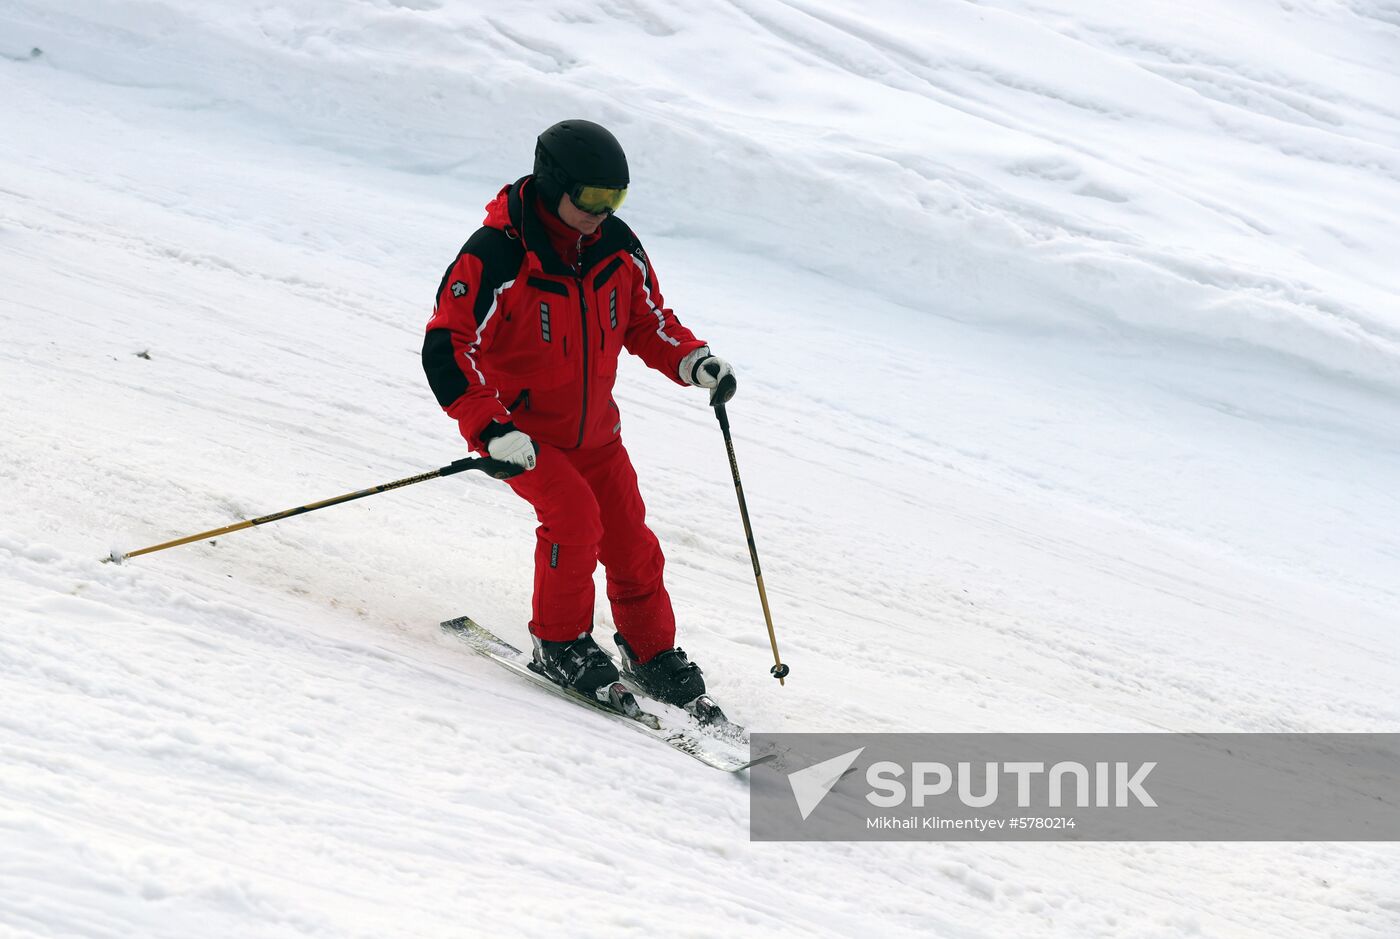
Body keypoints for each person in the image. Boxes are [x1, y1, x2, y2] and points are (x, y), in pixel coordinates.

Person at [422, 119, 735, 708]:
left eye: (615, 199)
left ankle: (649, 654)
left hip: (597, 436)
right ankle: (560, 643)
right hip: (524, 437)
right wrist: (490, 428)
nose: (603, 211)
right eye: (592, 199)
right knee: (573, 520)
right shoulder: (495, 254)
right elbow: (446, 345)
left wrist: (694, 361)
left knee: (630, 543)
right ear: (552, 184)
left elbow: (648, 320)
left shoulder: (616, 246)